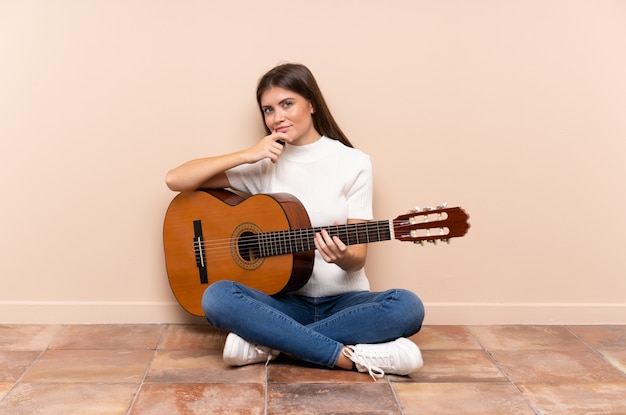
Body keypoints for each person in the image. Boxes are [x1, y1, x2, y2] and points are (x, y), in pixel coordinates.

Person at [165, 63, 425, 380]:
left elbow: (358, 260)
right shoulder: (264, 163)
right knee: (216, 298)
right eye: (268, 109)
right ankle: (349, 358)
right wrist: (248, 154)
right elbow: (176, 178)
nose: (278, 117)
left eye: (287, 104)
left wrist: (343, 256)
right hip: (281, 303)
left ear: (311, 103)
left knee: (407, 307)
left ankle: (268, 344)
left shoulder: (354, 163)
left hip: (344, 303)